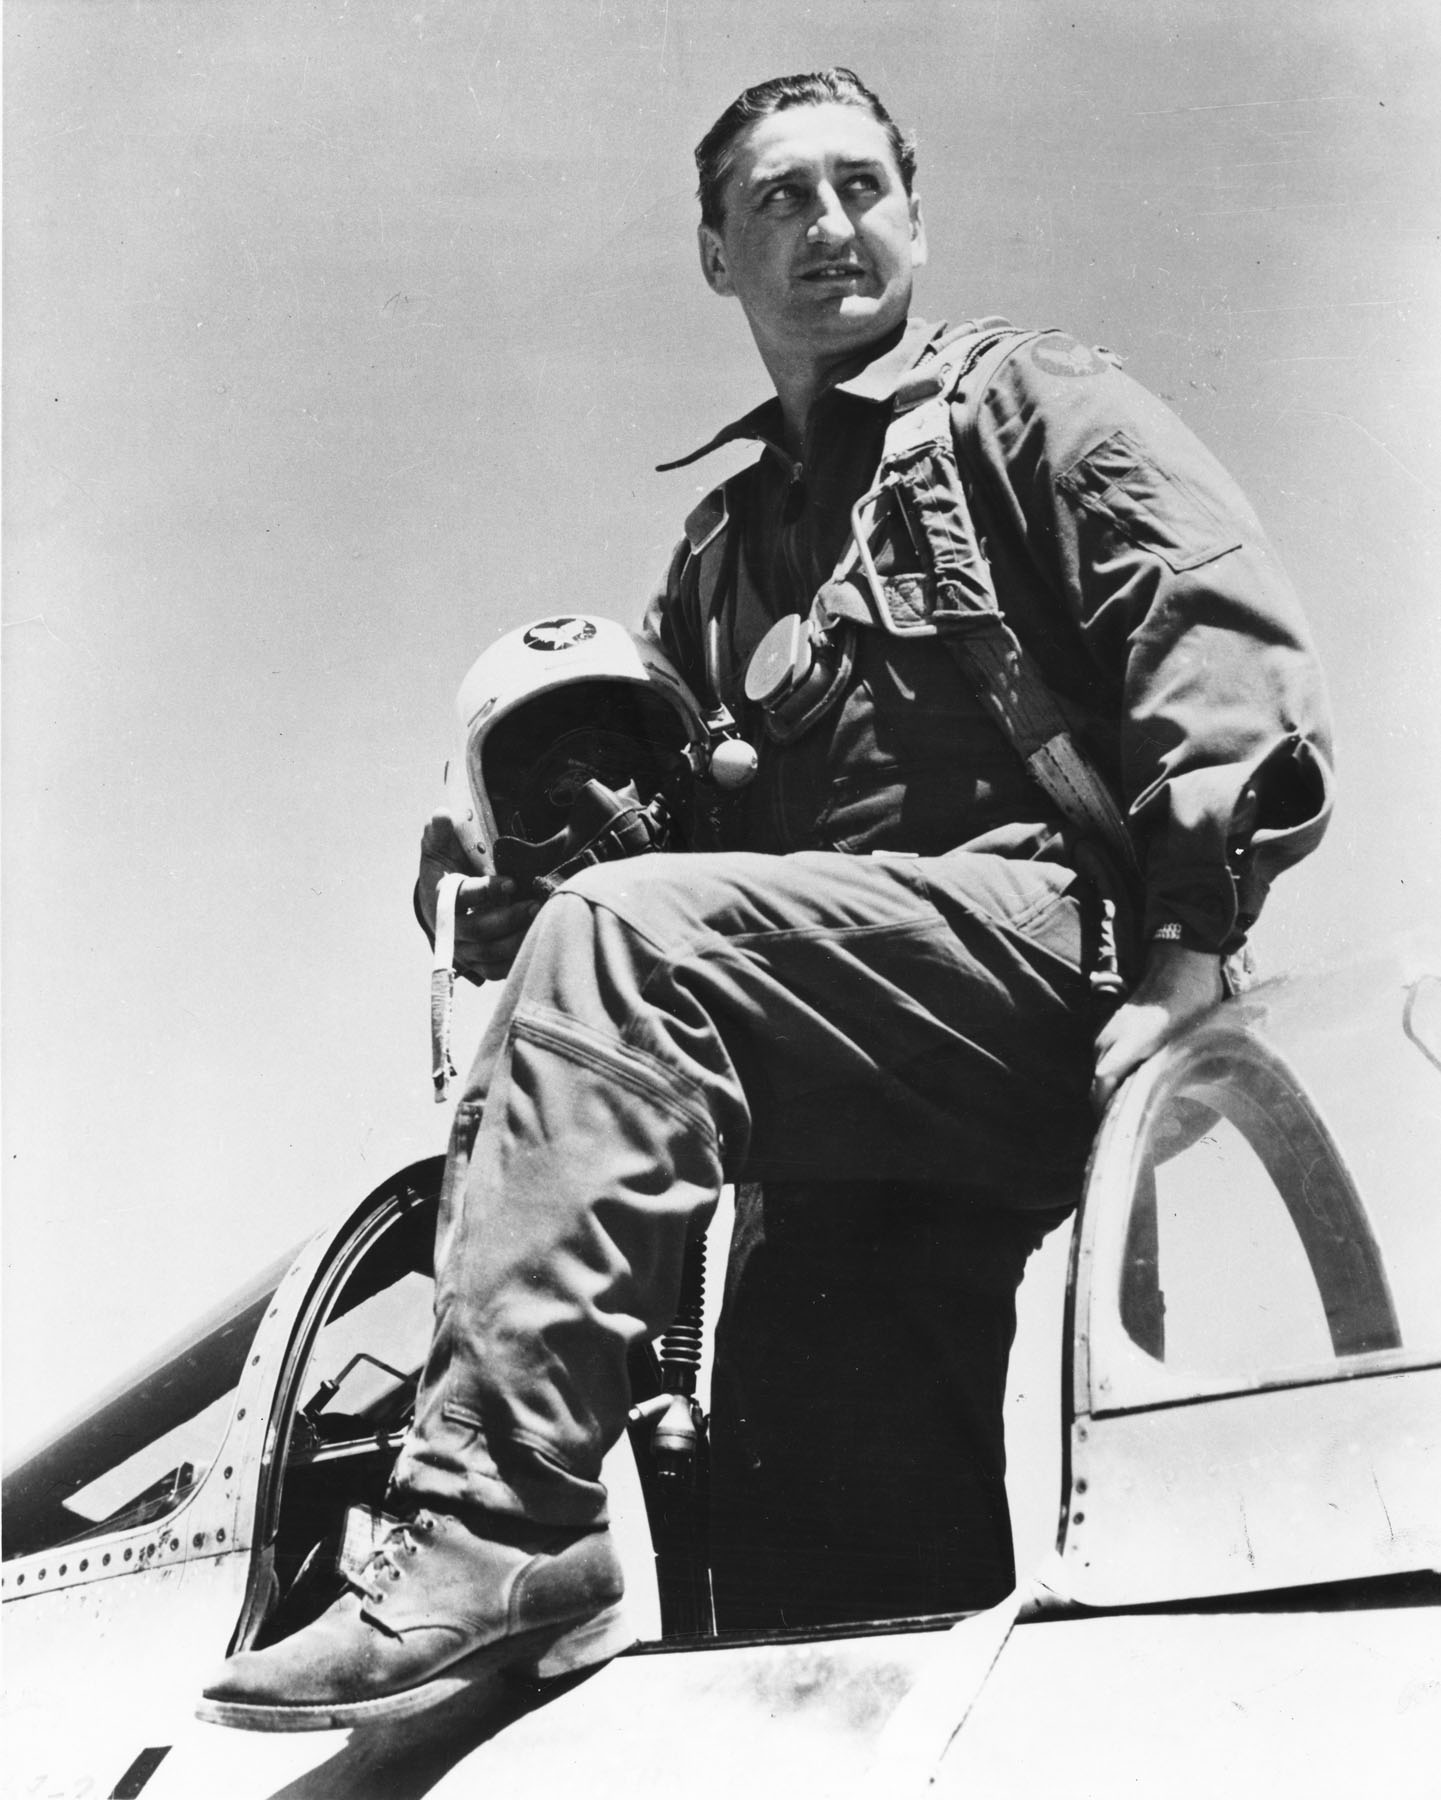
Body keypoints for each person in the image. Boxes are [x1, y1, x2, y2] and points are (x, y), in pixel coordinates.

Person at [200, 68, 1332, 1729]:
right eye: (779, 203)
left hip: (1043, 960)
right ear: (717, 259)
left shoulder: (1024, 405)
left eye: (860, 187)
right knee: (820, 1574)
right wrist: (505, 864)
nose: (830, 227)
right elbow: (648, 844)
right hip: (857, 1071)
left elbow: (1214, 635)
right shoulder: (722, 556)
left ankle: (485, 1528)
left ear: (915, 214)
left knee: (626, 940)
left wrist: (1188, 946)